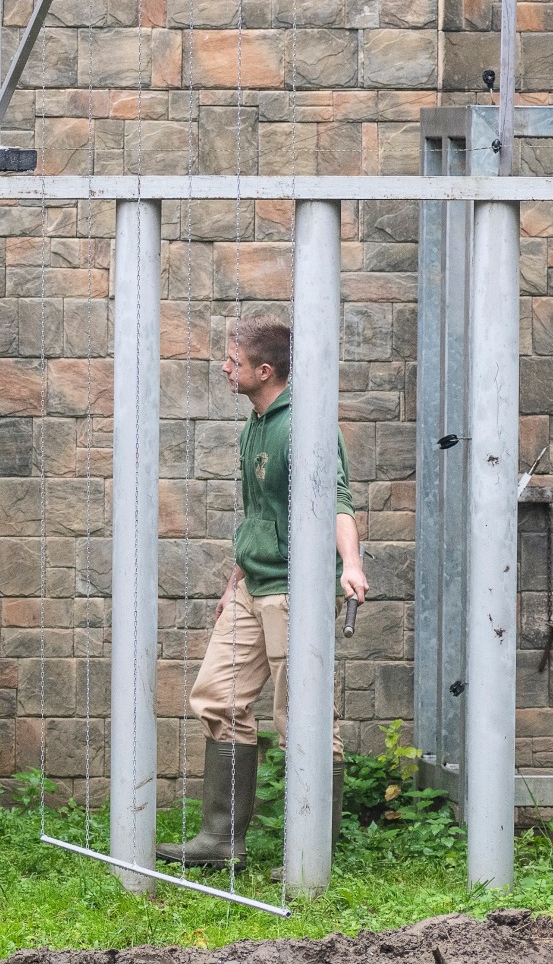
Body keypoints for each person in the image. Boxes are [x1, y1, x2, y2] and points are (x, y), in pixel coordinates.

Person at [157, 314, 369, 869]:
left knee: (304, 717)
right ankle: (221, 840)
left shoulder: (304, 426)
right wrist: (235, 580)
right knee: (216, 698)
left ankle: (312, 848)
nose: (226, 367)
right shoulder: (254, 424)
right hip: (254, 587)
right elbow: (260, 514)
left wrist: (351, 563)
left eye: (235, 361)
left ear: (265, 370)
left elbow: (339, 500)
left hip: (292, 593)